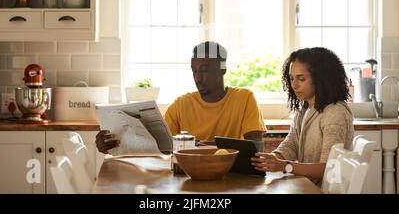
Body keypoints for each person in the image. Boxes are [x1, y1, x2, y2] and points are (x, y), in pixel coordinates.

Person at [96, 41, 267, 154]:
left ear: (223, 69)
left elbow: (256, 148)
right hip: (188, 178)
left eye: (204, 70)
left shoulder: (245, 98)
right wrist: (113, 144)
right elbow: (159, 146)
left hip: (233, 178)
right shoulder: (181, 105)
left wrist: (198, 146)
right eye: (194, 71)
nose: (198, 78)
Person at [251, 47, 354, 184]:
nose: (294, 85)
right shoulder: (306, 109)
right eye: (292, 78)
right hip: (309, 186)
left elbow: (328, 168)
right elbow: (292, 143)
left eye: (301, 78)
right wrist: (272, 158)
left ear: (320, 79)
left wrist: (284, 166)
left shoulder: (334, 114)